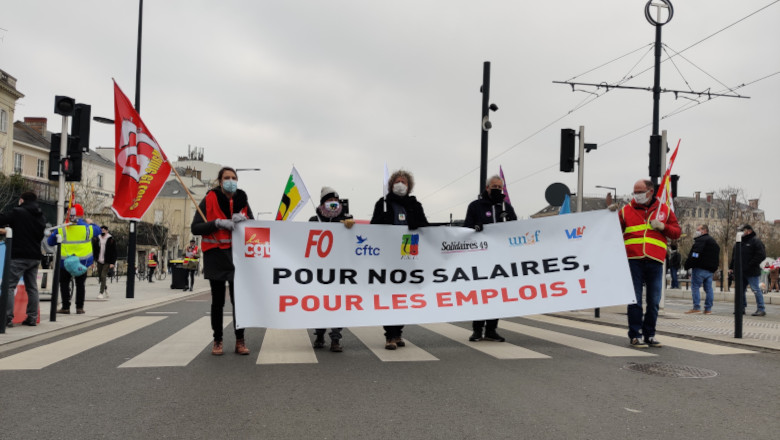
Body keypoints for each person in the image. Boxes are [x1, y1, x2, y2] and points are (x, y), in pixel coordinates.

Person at [191, 166, 254, 356]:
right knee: (217, 302)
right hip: (216, 255)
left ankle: (240, 340)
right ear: (220, 181)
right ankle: (217, 340)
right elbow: (196, 227)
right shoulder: (210, 198)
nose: (231, 181)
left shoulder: (242, 199)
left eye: (234, 178)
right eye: (227, 177)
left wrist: (245, 219)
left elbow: (254, 225)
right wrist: (217, 223)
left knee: (239, 302)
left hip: (238, 258)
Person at [617, 179, 680, 348]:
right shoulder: (625, 211)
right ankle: (635, 335)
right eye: (634, 192)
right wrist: (608, 215)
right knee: (635, 300)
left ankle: (649, 334)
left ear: (650, 191)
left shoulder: (664, 210)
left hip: (655, 260)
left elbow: (676, 232)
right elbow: (612, 230)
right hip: (633, 260)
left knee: (653, 301)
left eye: (639, 192)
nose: (636, 195)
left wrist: (662, 226)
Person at [371, 169, 429, 350]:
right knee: (390, 294)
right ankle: (390, 335)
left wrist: (415, 221)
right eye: (398, 181)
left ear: (409, 186)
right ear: (391, 185)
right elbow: (373, 227)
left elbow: (425, 226)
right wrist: (384, 219)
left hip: (408, 248)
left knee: (403, 295)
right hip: (388, 252)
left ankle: (398, 333)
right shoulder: (383, 203)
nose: (401, 184)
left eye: (404, 181)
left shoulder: (414, 204)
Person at [463, 174, 517, 342]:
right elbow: (466, 228)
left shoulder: (506, 207)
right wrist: (475, 228)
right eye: (494, 187)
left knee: (497, 294)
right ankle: (477, 330)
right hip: (480, 259)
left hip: (500, 259)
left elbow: (516, 228)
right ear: (487, 188)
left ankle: (492, 329)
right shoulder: (475, 206)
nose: (497, 190)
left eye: (499, 187)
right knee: (481, 294)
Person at [308, 186, 355, 353]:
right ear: (323, 203)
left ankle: (336, 338)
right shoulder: (314, 220)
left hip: (340, 269)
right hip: (319, 270)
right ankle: (319, 334)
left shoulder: (346, 219)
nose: (333, 203)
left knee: (338, 304)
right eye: (329, 200)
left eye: (335, 200)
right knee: (320, 303)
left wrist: (351, 227)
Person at [0, 191, 47, 327]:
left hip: (19, 255)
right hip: (34, 256)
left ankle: (6, 318)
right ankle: (32, 317)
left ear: (22, 200)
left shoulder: (18, 212)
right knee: (32, 287)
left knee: (8, 286)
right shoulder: (41, 216)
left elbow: (2, 220)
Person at [49, 203, 101, 314]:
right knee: (80, 284)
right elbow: (98, 230)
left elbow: (50, 242)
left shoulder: (62, 229)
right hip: (82, 262)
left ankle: (65, 307)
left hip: (65, 262)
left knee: (64, 284)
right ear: (81, 215)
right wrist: (91, 222)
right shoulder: (87, 228)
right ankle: (79, 308)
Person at [729, 224, 767, 316]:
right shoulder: (739, 242)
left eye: (742, 230)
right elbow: (734, 256)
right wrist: (731, 267)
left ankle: (761, 308)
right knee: (740, 291)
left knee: (755, 289)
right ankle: (741, 308)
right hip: (740, 271)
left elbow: (761, 255)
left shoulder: (755, 241)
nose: (740, 232)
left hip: (751, 271)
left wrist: (750, 264)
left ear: (748, 231)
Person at [683, 224, 720, 314]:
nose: (696, 231)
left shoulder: (701, 240)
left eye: (698, 230)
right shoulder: (713, 242)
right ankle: (708, 309)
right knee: (709, 289)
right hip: (710, 270)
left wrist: (688, 264)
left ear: (704, 230)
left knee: (695, 287)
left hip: (699, 268)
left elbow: (695, 254)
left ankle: (696, 307)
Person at [92, 225, 117, 299]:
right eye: (101, 229)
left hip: (107, 261)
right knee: (100, 277)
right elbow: (94, 250)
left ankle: (101, 293)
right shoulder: (97, 239)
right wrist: (93, 260)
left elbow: (114, 252)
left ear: (107, 231)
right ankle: (105, 288)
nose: (102, 230)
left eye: (104, 229)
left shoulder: (111, 239)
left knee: (103, 276)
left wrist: (112, 262)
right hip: (99, 260)